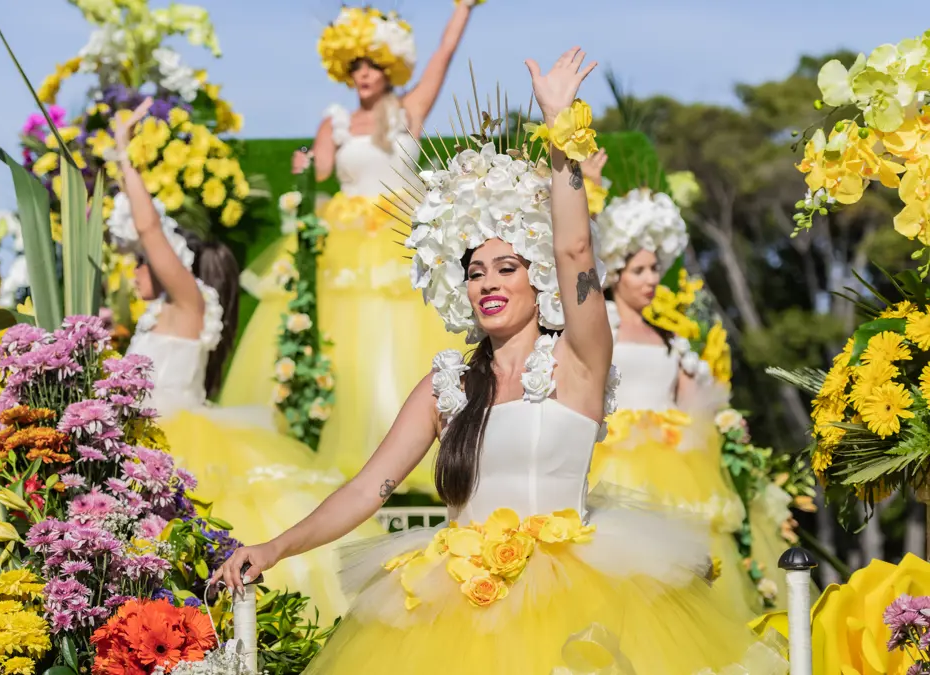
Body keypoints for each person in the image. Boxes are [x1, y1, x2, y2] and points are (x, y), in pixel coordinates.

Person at [211, 49, 786, 674]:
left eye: (506, 268)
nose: (487, 282)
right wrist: (275, 546)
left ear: (536, 277)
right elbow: (366, 489)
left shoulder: (580, 361)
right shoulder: (446, 386)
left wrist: (560, 125)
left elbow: (573, 248)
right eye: (475, 271)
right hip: (454, 609)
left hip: (576, 603)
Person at [110, 98, 382, 620]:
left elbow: (149, 230)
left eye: (145, 263)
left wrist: (126, 157)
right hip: (143, 441)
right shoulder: (153, 316)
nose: (137, 271)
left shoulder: (189, 304)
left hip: (180, 442)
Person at [220, 2, 481, 493]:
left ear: (389, 69)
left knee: (398, 334)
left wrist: (462, 10)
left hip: (399, 234)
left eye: (373, 65)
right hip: (342, 236)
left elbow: (444, 56)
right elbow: (316, 171)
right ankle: (338, 451)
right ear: (346, 72)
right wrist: (302, 162)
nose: (364, 74)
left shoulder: (409, 110)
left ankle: (413, 445)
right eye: (356, 66)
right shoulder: (335, 120)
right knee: (340, 339)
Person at [589, 171, 792, 611]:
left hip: (676, 460)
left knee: (691, 556)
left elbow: (695, 402)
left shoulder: (671, 340)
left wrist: (721, 425)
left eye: (654, 269)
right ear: (616, 274)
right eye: (638, 270)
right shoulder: (601, 327)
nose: (649, 279)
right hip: (615, 457)